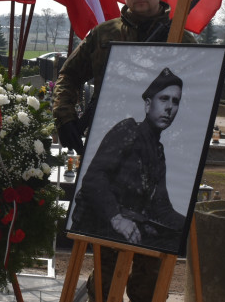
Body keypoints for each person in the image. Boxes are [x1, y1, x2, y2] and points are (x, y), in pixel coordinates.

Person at [52, 0, 195, 302]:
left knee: (149, 267)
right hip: (112, 149)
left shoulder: (182, 37)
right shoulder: (104, 35)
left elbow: (203, 86)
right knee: (104, 261)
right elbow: (69, 75)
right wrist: (64, 117)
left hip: (156, 157)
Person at [70, 67, 187, 251]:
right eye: (164, 99)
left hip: (128, 228)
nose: (169, 107)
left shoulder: (157, 151)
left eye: (175, 101)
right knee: (107, 276)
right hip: (100, 224)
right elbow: (93, 179)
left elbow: (161, 207)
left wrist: (190, 226)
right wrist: (116, 218)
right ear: (148, 104)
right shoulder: (128, 131)